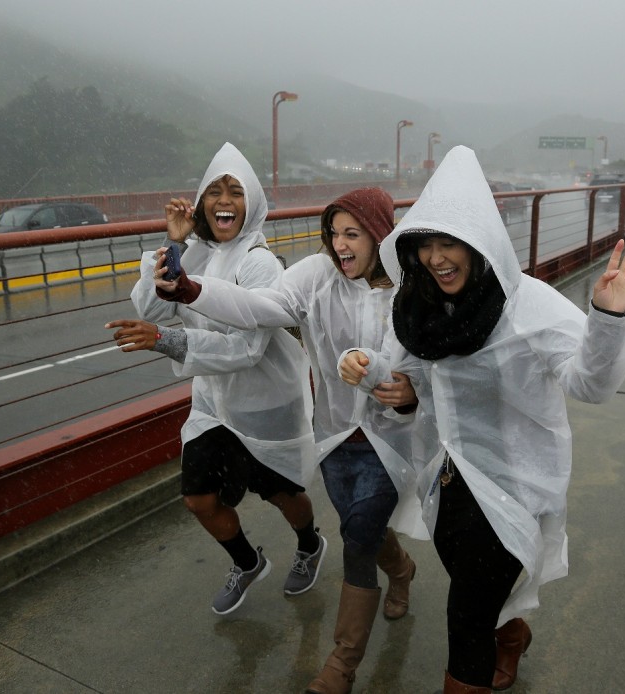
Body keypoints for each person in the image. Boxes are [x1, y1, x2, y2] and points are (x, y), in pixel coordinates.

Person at [339, 146, 625, 693]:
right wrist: (368, 371)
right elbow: (409, 380)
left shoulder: (528, 305)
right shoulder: (421, 307)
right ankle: (511, 638)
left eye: (450, 244)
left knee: (464, 620)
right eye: (427, 246)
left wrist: (607, 316)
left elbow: (590, 384)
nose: (437, 259)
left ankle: (481, 660)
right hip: (448, 480)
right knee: (477, 594)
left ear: (481, 245)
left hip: (517, 487)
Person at [154, 187, 428, 694]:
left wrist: (394, 385)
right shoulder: (317, 276)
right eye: (333, 234)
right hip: (337, 437)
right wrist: (191, 291)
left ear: (380, 234)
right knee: (358, 527)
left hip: (393, 440)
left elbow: (420, 366)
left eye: (353, 234)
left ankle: (341, 666)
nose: (340, 245)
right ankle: (403, 569)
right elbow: (262, 305)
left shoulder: (411, 288)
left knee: (359, 536)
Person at [105, 142, 324, 616]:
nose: (224, 200)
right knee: (199, 499)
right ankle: (247, 563)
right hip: (213, 404)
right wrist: (176, 243)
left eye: (236, 192)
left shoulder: (259, 262)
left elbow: (248, 348)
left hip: (264, 402)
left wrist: (164, 340)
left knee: (286, 495)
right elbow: (152, 306)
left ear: (253, 204)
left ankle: (309, 544)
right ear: (202, 203)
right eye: (214, 191)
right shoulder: (195, 252)